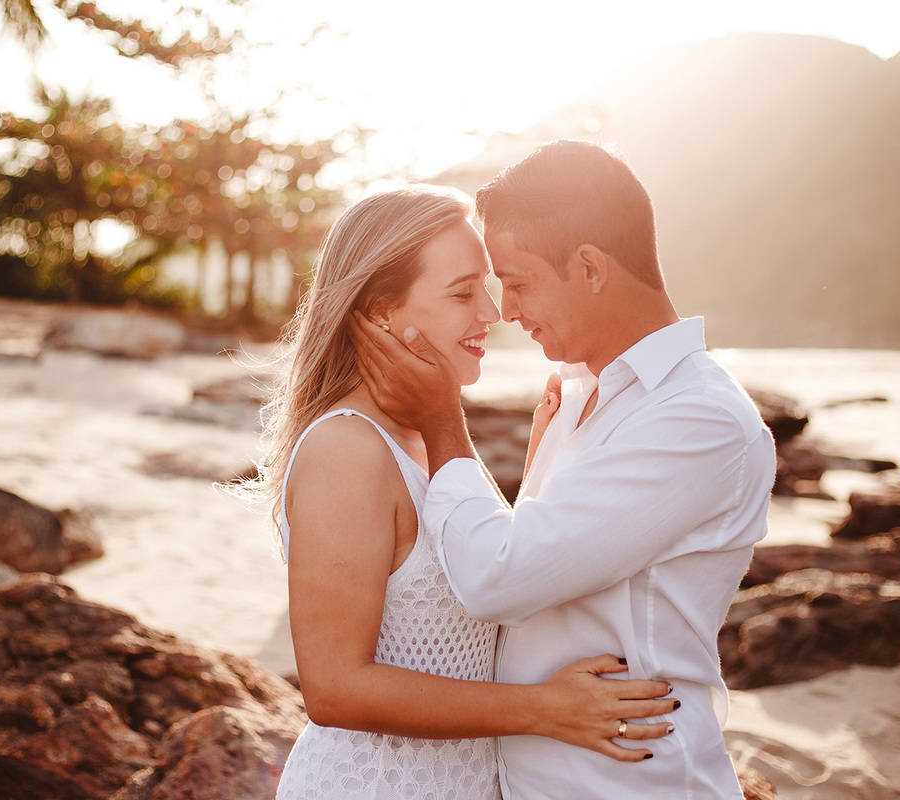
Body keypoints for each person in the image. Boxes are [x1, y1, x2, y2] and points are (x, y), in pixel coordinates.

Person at [350, 140, 777, 798]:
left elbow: (499, 580)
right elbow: (538, 564)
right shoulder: (575, 394)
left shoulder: (698, 417)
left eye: (517, 282)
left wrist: (442, 422)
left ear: (588, 268)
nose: (507, 312)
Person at [239, 185, 678, 799]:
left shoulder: (424, 438)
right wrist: (545, 709)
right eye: (462, 292)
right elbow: (334, 688)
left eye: (489, 287)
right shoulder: (348, 450)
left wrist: (537, 479)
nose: (492, 313)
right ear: (381, 312)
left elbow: (486, 586)